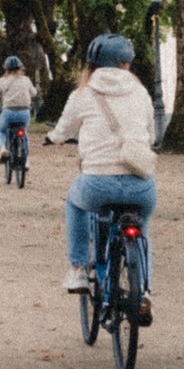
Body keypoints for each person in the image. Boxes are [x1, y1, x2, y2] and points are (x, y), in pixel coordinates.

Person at [44, 35, 157, 294]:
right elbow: (151, 136)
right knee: (141, 227)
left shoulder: (82, 94)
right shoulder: (141, 93)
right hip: (141, 185)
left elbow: (63, 130)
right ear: (126, 64)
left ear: (91, 65)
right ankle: (143, 291)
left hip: (97, 185)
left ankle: (78, 269)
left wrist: (53, 138)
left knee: (74, 203)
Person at [0, 55, 36, 161]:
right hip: (24, 112)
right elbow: (34, 93)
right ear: (21, 68)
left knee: (0, 130)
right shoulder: (26, 80)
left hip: (9, 112)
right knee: (24, 131)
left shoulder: (3, 80)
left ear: (6, 69)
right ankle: (26, 159)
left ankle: (3, 148)